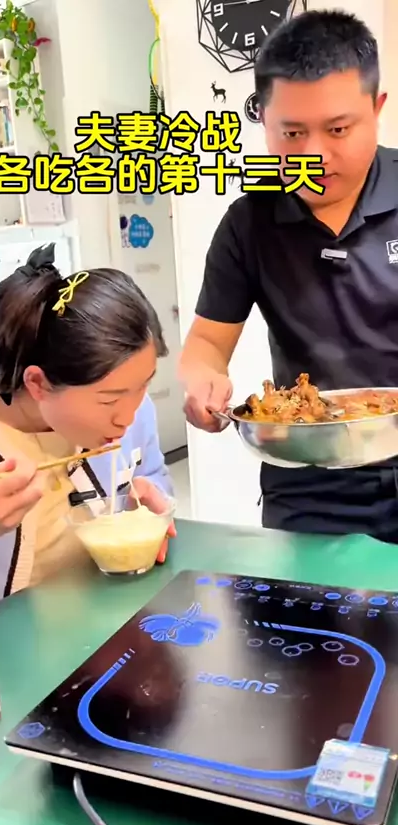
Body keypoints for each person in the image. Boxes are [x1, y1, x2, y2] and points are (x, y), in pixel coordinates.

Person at [179, 9, 398, 543]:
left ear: (377, 108)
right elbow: (207, 342)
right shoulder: (249, 222)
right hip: (307, 481)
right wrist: (203, 382)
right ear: (263, 119)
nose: (314, 155)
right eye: (292, 132)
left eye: (338, 129)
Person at [0, 244, 175, 639]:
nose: (128, 415)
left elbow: (152, 475)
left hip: (104, 641)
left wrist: (153, 504)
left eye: (144, 385)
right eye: (109, 399)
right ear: (37, 382)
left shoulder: (134, 410)